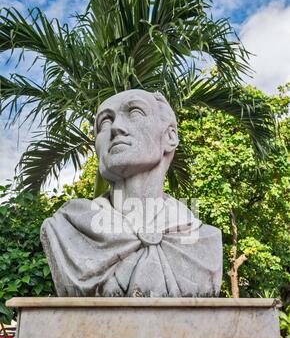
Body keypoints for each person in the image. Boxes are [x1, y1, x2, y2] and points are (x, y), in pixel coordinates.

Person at [41, 90, 222, 297]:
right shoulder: (67, 228)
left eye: (135, 112)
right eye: (105, 123)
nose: (116, 127)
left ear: (170, 137)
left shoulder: (204, 241)